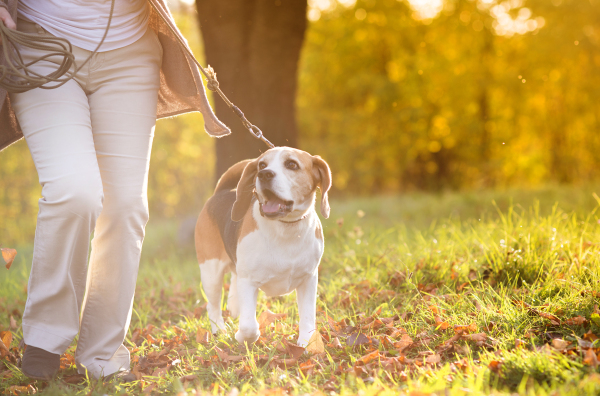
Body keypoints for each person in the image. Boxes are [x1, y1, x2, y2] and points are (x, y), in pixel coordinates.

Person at [0, 0, 230, 381]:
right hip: (40, 44)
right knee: (75, 189)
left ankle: (102, 353)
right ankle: (44, 337)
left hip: (129, 52)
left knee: (126, 206)